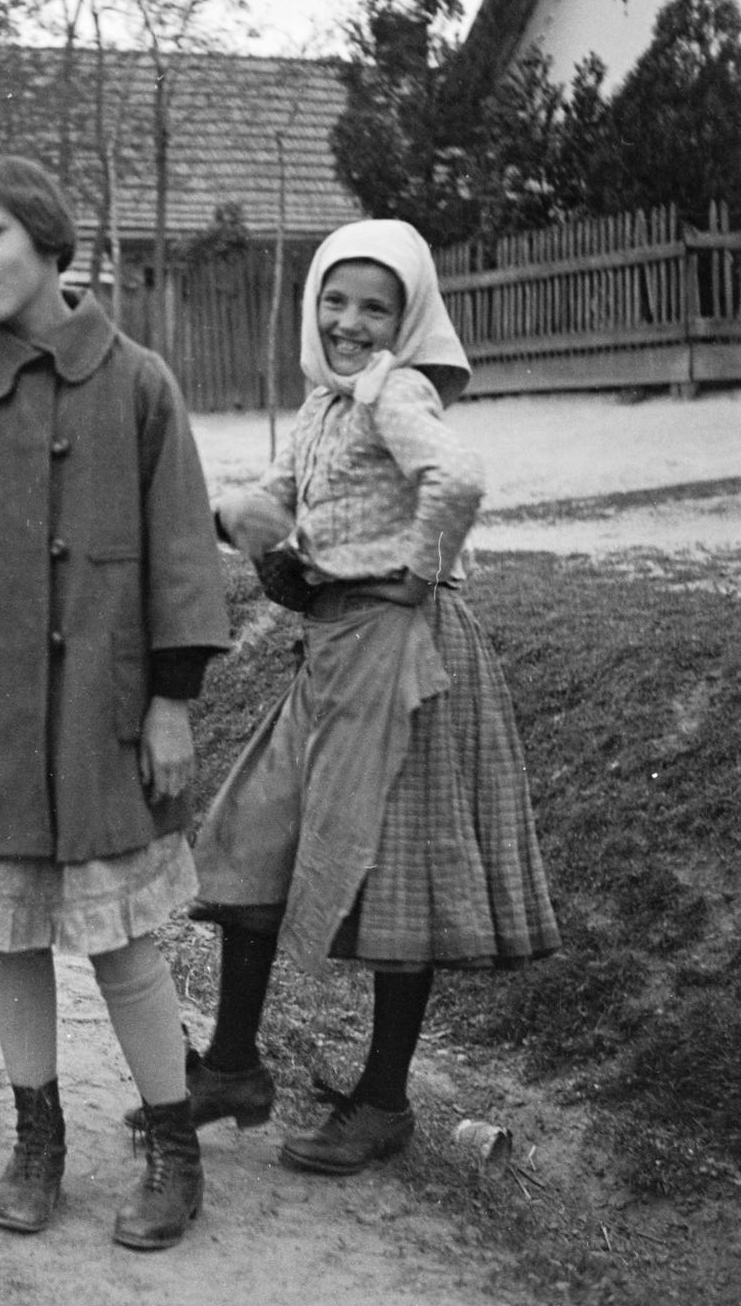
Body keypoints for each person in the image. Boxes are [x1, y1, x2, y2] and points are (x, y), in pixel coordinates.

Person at [0, 153, 231, 1251]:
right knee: (8, 936)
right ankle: (38, 1135)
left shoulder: (141, 383)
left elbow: (178, 554)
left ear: (47, 237)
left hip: (107, 722)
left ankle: (173, 1142)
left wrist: (171, 702)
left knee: (122, 941)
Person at [186, 218, 561, 1176]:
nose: (350, 322)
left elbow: (459, 474)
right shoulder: (322, 405)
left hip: (405, 660)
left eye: (375, 306)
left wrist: (417, 566)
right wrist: (228, 515)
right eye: (335, 300)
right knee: (249, 837)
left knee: (399, 878)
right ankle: (231, 1066)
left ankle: (383, 1100)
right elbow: (270, 500)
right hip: (331, 652)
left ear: (409, 319)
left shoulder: (394, 393)